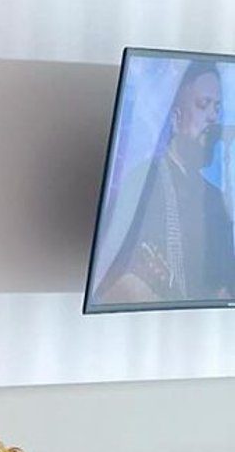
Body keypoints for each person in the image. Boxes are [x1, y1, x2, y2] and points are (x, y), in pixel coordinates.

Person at [95, 60, 235, 305]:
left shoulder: (216, 196)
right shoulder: (143, 182)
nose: (213, 116)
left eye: (218, 108)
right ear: (175, 116)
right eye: (203, 105)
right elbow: (107, 278)